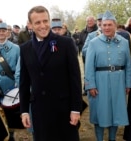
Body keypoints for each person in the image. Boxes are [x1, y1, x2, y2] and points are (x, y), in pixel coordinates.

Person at [19, 5, 82, 141]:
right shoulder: (25, 49)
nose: (43, 26)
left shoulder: (66, 43)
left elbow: (75, 78)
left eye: (45, 21)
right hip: (40, 111)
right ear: (30, 25)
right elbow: (24, 82)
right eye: (38, 22)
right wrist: (24, 110)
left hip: (63, 110)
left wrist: (76, 109)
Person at [84, 10, 131, 141]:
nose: (106, 27)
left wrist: (128, 83)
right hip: (100, 81)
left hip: (119, 80)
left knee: (115, 112)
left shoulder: (124, 42)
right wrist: (90, 85)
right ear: (101, 26)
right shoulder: (93, 43)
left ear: (115, 25)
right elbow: (88, 66)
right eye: (104, 25)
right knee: (100, 112)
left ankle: (112, 138)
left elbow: (128, 65)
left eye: (109, 25)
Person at [0, 22, 20, 141]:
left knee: (11, 109)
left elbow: (20, 66)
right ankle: (2, 133)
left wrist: (17, 83)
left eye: (3, 31)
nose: (1, 33)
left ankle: (12, 134)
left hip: (11, 81)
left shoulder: (16, 48)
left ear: (8, 32)